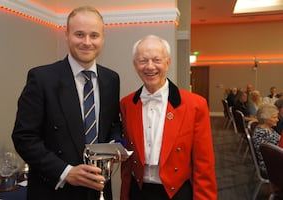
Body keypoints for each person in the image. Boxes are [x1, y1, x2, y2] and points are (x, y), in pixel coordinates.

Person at [11, 6, 122, 200]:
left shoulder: (111, 79)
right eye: (79, 34)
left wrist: (113, 148)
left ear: (103, 38)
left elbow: (113, 124)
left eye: (94, 35)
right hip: (55, 190)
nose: (87, 42)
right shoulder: (42, 78)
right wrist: (66, 172)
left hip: (98, 189)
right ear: (67, 35)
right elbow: (24, 137)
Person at [120, 35, 217, 200]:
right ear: (135, 64)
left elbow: (204, 165)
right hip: (139, 191)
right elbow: (128, 162)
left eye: (157, 60)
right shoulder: (127, 104)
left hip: (177, 192)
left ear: (168, 62)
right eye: (143, 60)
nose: (150, 67)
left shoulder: (195, 105)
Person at [252, 104, 281, 175]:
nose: (277, 120)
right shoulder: (262, 133)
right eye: (274, 117)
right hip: (270, 165)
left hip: (275, 159)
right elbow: (270, 154)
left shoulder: (267, 128)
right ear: (265, 119)